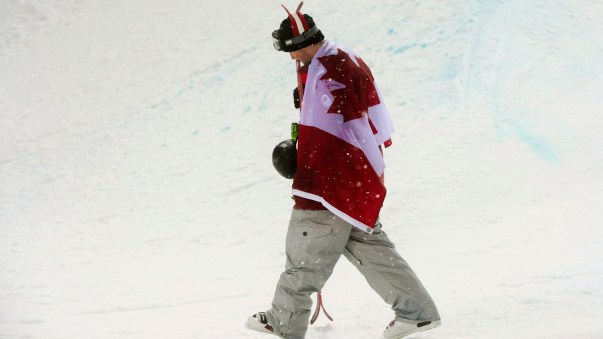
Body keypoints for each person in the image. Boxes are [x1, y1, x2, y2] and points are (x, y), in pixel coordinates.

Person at [246, 3, 441, 338]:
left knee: (304, 249)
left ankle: (283, 321)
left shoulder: (330, 70)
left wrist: (309, 162)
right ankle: (417, 312)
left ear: (305, 43)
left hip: (331, 181)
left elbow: (340, 127)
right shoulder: (339, 58)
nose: (293, 60)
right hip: (355, 180)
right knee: (371, 247)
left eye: (294, 52)